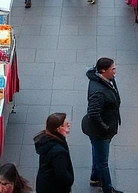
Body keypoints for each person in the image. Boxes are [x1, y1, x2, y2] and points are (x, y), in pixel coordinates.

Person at [81, 58, 123, 193]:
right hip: (100, 132)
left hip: (106, 127)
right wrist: (104, 128)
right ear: (103, 71)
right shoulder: (98, 92)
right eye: (113, 69)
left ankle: (95, 178)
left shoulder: (106, 80)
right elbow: (93, 114)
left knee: (97, 154)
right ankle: (107, 189)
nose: (115, 72)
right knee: (103, 162)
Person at [34, 113, 74, 193]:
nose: (68, 125)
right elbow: (62, 175)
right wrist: (70, 180)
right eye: (65, 125)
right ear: (58, 129)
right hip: (55, 188)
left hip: (45, 184)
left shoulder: (46, 140)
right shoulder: (59, 152)